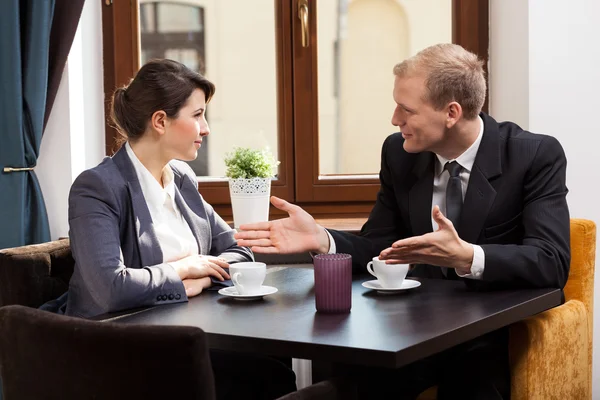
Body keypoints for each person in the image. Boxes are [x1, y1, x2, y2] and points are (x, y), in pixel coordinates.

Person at [235, 44, 571, 399]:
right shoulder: (399, 153)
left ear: (451, 112)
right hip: (408, 332)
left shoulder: (533, 155)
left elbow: (551, 261)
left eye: (406, 109)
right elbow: (381, 245)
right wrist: (323, 239)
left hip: (486, 336)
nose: (395, 119)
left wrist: (467, 256)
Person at [58, 59, 296, 399]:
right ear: (160, 121)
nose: (206, 128)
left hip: (184, 335)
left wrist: (200, 277)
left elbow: (240, 249)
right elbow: (109, 288)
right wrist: (183, 272)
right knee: (265, 377)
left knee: (273, 364)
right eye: (197, 115)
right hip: (115, 351)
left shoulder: (182, 178)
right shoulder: (97, 187)